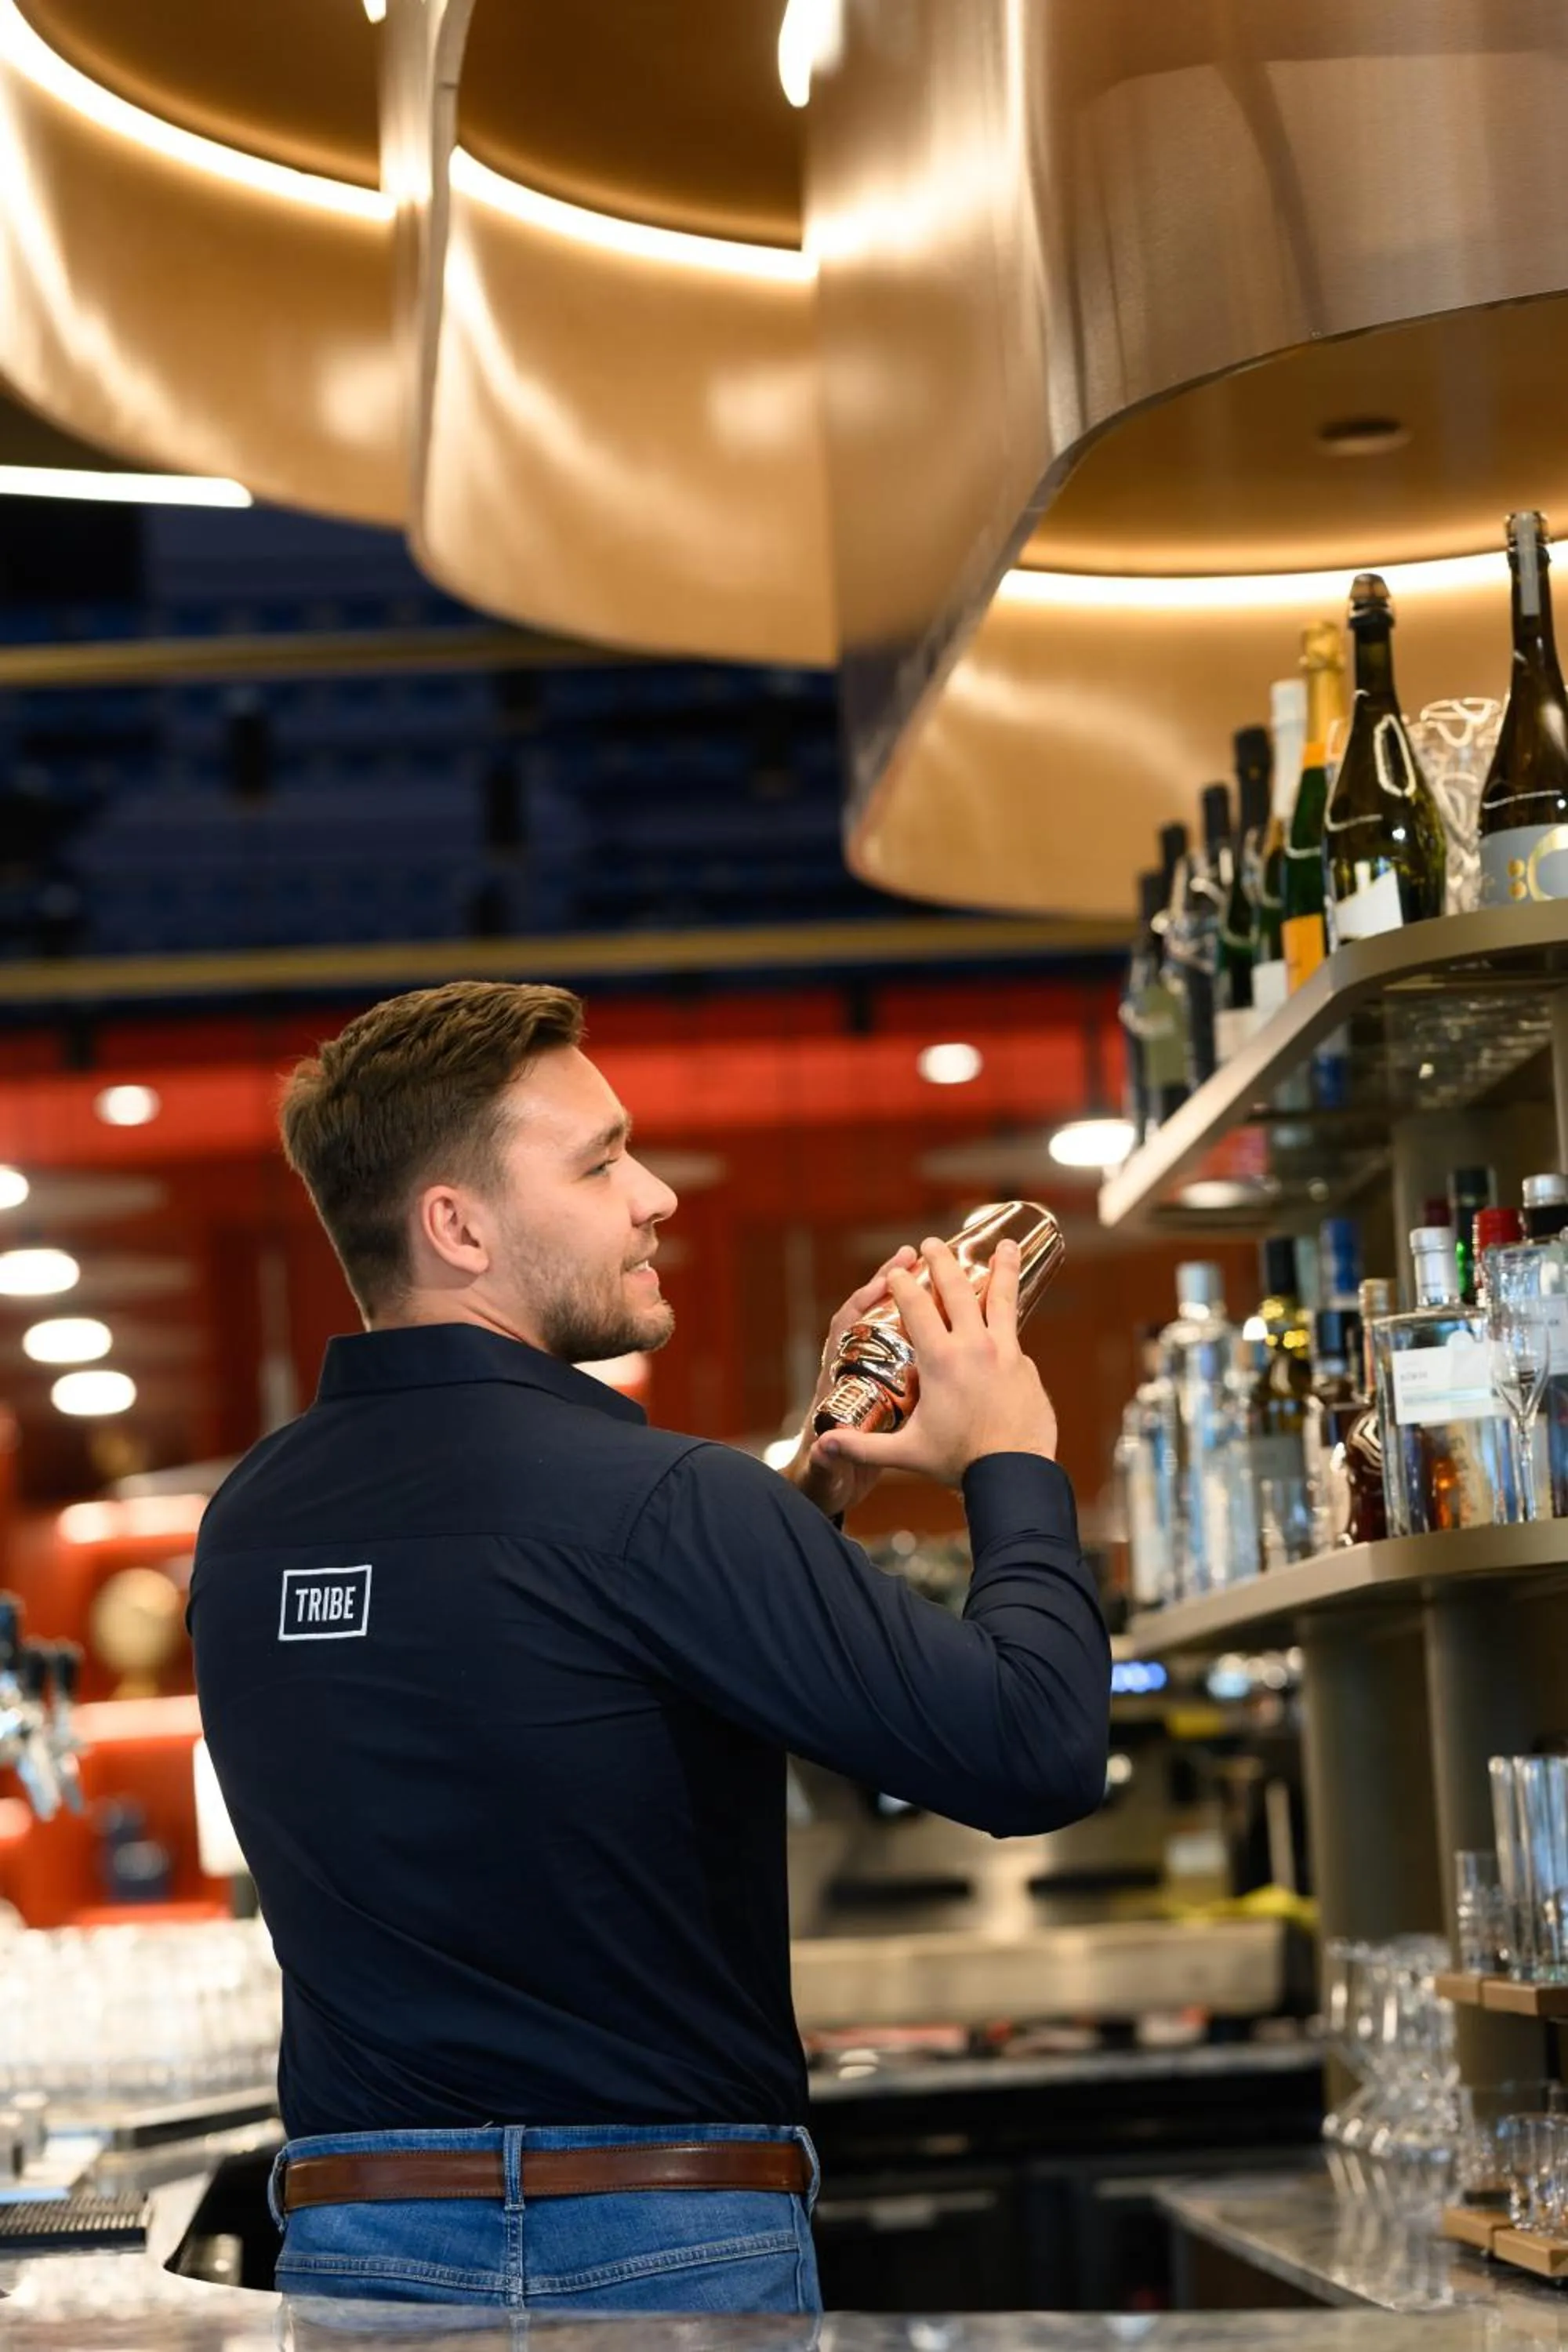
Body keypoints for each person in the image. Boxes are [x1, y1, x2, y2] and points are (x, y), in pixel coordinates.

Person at [189, 981, 1109, 2316]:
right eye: (602, 1159)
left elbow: (549, 1679)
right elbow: (1039, 1749)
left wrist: (805, 1500)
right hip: (662, 2250)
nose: (657, 1194)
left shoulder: (248, 1528)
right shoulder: (666, 1505)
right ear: (457, 1225)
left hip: (360, 2260)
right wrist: (1012, 1455)